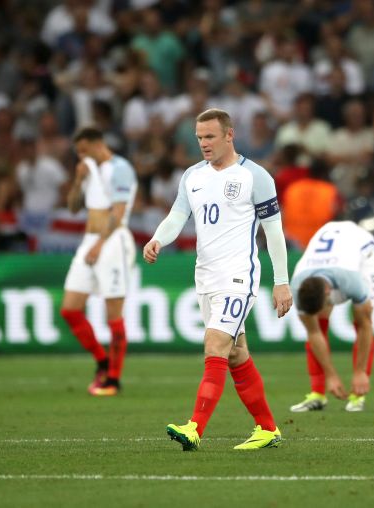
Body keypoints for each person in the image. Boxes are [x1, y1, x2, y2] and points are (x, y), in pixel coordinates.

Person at [143, 108, 292, 451]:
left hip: (239, 276)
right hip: (206, 277)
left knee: (214, 345)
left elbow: (275, 233)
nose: (203, 144)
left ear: (229, 135)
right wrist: (157, 239)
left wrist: (281, 281)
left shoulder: (255, 176)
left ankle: (194, 427)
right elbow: (177, 215)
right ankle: (268, 429)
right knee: (236, 353)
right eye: (199, 138)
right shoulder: (192, 176)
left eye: (210, 136)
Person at [61, 127, 138, 397]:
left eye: (84, 150)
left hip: (113, 242)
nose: (82, 156)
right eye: (78, 152)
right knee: (70, 309)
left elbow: (117, 212)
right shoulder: (89, 171)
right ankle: (102, 361)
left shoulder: (120, 168)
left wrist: (100, 243)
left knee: (113, 313)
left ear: (98, 144)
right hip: (90, 240)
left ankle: (113, 380)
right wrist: (78, 180)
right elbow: (72, 208)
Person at [288, 221, 374, 413]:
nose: (328, 308)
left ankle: (358, 395)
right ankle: (317, 394)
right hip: (329, 245)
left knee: (362, 318)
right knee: (316, 326)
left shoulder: (352, 281)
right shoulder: (297, 286)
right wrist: (331, 375)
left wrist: (359, 372)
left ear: (329, 292)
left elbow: (365, 327)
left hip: (364, 251)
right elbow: (313, 332)